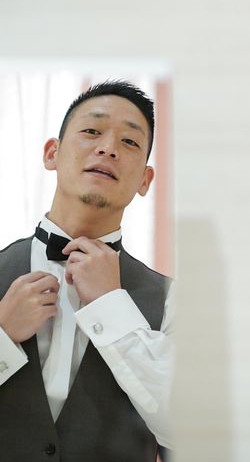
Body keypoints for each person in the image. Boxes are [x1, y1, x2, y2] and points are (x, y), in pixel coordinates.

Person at [0, 80, 174, 461]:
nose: (108, 148)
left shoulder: (173, 300)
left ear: (144, 181)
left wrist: (113, 308)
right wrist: (2, 336)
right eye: (92, 131)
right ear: (52, 153)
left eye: (129, 141)